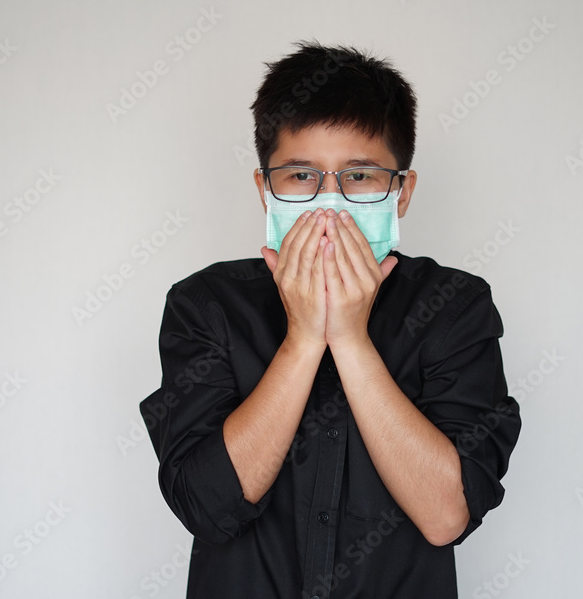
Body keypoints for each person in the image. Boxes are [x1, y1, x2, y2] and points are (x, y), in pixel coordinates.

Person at [139, 42, 521, 598]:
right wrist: (301, 340)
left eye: (359, 175)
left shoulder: (454, 307)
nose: (328, 204)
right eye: (301, 175)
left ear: (402, 192)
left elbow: (446, 516)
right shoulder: (206, 305)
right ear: (264, 191)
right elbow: (206, 506)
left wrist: (349, 338)